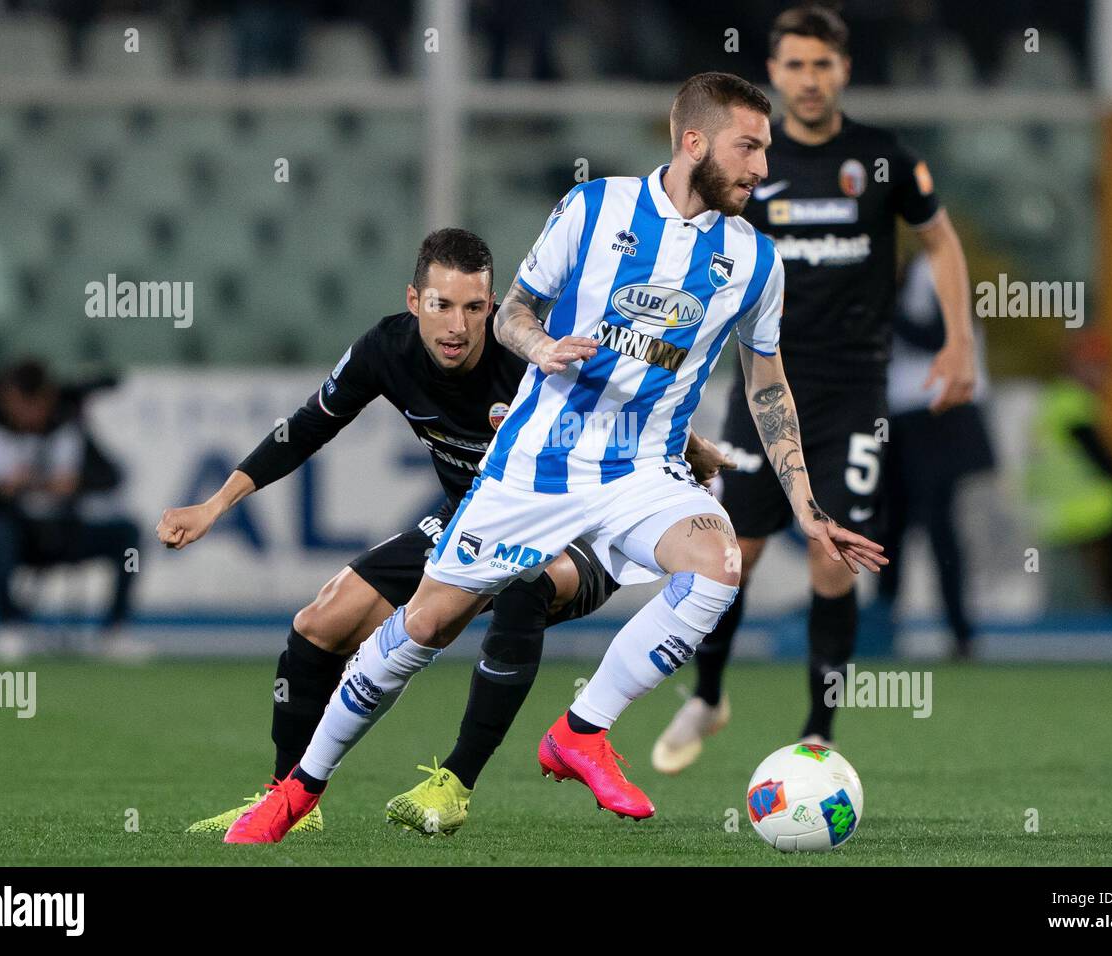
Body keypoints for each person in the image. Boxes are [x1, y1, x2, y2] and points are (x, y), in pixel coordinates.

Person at [222, 70, 886, 844]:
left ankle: (581, 730)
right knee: (424, 627)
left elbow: (768, 384)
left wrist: (806, 506)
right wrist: (541, 345)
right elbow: (514, 315)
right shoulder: (593, 208)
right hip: (536, 462)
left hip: (643, 469)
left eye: (765, 151)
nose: (762, 168)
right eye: (749, 148)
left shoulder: (755, 261)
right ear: (694, 141)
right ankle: (300, 789)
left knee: (716, 562)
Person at [156, 228, 731, 837]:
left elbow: (626, 399)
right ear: (414, 301)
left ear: (494, 306)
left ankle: (457, 783)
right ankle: (289, 801)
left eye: (475, 308)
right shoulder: (385, 350)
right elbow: (304, 429)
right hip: (472, 520)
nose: (458, 326)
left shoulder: (531, 354)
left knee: (525, 581)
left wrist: (689, 446)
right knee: (319, 624)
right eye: (442, 306)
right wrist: (214, 506)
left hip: (580, 528)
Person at [652, 2, 976, 773]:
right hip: (763, 386)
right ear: (773, 72)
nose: (808, 79)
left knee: (835, 559)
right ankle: (709, 695)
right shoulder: (748, 166)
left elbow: (940, 238)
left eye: (821, 65)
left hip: (854, 393)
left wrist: (961, 340)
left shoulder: (883, 158)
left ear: (844, 71)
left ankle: (819, 732)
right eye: (794, 65)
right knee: (735, 554)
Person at [0, 359, 142, 662]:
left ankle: (114, 631)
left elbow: (111, 475)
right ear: (7, 397)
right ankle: (10, 627)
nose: (31, 416)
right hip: (5, 531)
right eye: (23, 406)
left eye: (38, 406)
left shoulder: (66, 421)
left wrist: (76, 484)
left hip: (58, 530)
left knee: (129, 536)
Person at [877, 252, 994, 659]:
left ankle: (961, 632)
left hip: (939, 414)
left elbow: (941, 335)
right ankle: (882, 628)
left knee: (938, 525)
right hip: (901, 417)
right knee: (889, 527)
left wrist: (883, 304)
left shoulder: (935, 268)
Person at [1026, 332, 1112, 607]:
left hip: (1054, 507)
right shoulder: (1070, 400)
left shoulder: (1056, 398)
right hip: (1069, 509)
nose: (1102, 374)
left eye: (1104, 367)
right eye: (1096, 366)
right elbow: (1100, 457)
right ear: (1075, 367)